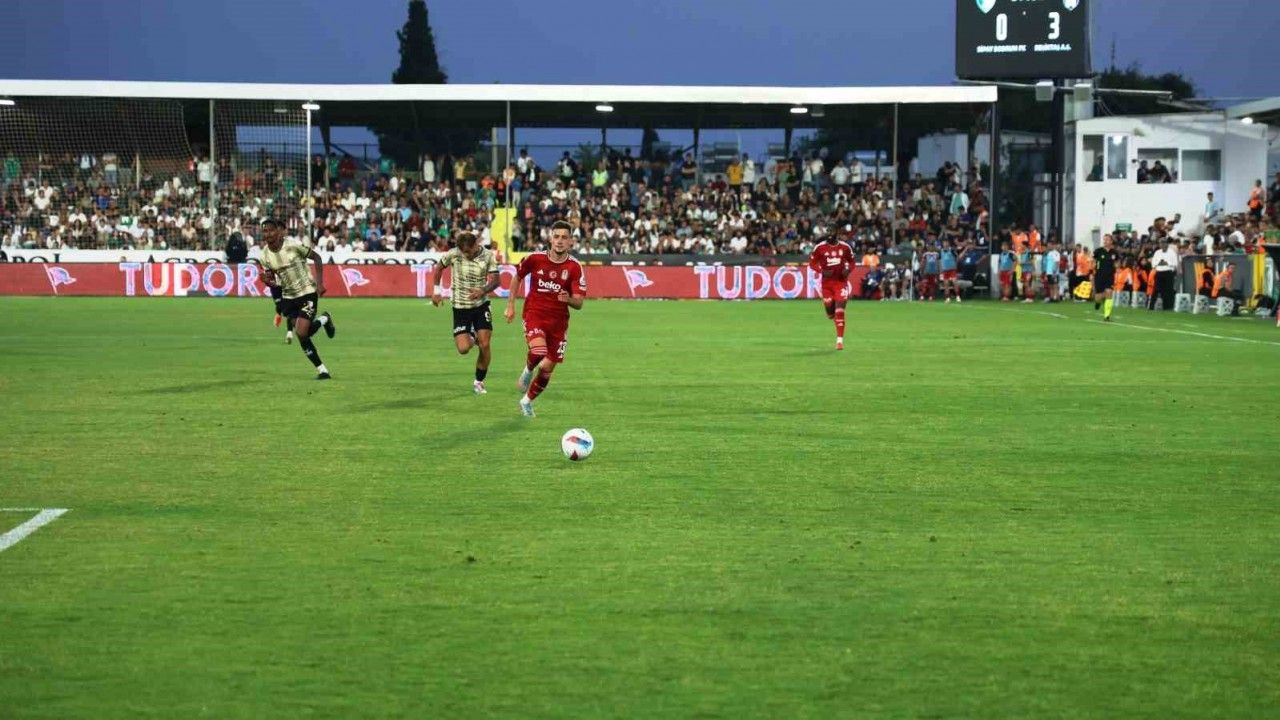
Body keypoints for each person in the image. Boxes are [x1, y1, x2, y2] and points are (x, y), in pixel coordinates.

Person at [504, 220, 586, 418]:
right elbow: (517, 277)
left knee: (547, 367)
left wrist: (568, 299)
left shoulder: (575, 267)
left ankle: (526, 401)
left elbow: (579, 302)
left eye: (564, 237)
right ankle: (527, 370)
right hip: (535, 314)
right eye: (556, 236)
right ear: (550, 238)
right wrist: (511, 305)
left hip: (559, 323)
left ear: (571, 241)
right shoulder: (535, 258)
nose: (559, 241)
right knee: (539, 351)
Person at [258, 219, 335, 379]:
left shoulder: (293, 246)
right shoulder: (263, 256)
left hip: (307, 292)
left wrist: (320, 283)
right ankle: (324, 319)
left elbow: (317, 257)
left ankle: (322, 371)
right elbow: (274, 281)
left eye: (271, 230)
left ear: (278, 231)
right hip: (288, 297)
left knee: (301, 332)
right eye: (265, 231)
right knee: (305, 333)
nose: (268, 234)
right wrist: (267, 281)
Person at [431, 232, 501, 395]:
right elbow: (439, 268)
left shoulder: (488, 255)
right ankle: (473, 336)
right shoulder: (453, 254)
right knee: (463, 349)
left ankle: (479, 381)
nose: (466, 255)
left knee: (485, 344)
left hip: (481, 305)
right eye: (463, 252)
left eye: (468, 252)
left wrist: (483, 290)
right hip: (460, 307)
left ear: (476, 244)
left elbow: (496, 281)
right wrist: (436, 291)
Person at [807, 234, 855, 349]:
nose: (829, 233)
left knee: (840, 310)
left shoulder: (845, 247)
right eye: (828, 231)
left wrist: (848, 270)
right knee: (830, 311)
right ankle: (831, 314)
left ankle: (839, 341)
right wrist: (822, 271)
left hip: (841, 283)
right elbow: (812, 263)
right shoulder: (820, 247)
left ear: (836, 233)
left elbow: (852, 262)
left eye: (831, 231)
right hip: (826, 285)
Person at [1091, 234, 1118, 320]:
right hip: (1099, 276)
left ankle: (1107, 316)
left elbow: (1117, 263)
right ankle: (1097, 302)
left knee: (1109, 292)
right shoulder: (1098, 251)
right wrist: (1092, 272)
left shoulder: (1114, 252)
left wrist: (1117, 268)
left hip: (1110, 276)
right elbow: (1093, 261)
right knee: (1098, 296)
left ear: (1111, 241)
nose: (1105, 241)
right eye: (1104, 239)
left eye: (1107, 239)